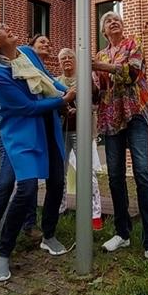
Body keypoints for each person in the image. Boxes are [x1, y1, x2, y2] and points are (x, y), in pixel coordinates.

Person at [0, 19, 76, 282]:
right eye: (0, 29)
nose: (7, 27)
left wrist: (70, 91)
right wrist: (62, 100)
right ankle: (3, 252)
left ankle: (48, 235)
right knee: (25, 187)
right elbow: (27, 107)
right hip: (21, 133)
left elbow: (46, 80)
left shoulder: (28, 54)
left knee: (57, 181)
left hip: (48, 127)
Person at [92, 12, 148, 267]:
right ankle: (122, 233)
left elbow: (133, 73)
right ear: (104, 32)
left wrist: (103, 68)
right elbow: (97, 90)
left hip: (135, 114)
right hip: (111, 118)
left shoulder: (133, 44)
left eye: (117, 20)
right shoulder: (100, 55)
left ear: (122, 27)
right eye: (108, 21)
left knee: (143, 173)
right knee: (114, 176)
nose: (114, 22)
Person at [56, 48, 103, 230]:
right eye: (63, 58)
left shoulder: (85, 78)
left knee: (88, 171)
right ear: (59, 63)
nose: (67, 60)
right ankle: (60, 208)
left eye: (70, 57)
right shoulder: (57, 81)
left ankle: (95, 213)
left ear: (76, 61)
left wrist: (81, 108)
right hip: (62, 131)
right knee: (60, 171)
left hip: (82, 131)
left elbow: (95, 101)